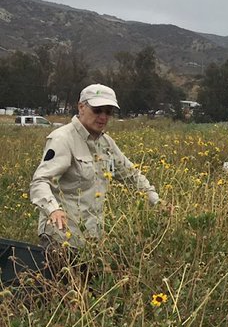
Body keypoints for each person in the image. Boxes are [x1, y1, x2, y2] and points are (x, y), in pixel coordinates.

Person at [29, 83, 161, 250]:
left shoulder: (106, 143)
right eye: (97, 110)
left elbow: (131, 175)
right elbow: (40, 181)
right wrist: (53, 210)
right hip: (61, 239)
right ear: (81, 107)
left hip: (92, 240)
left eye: (108, 112)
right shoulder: (63, 139)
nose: (103, 117)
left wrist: (157, 202)